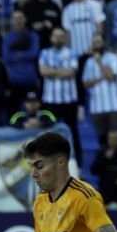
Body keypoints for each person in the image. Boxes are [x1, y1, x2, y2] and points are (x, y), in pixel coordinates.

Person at [39, 28, 83, 165]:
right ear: (51, 38)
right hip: (50, 101)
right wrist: (60, 71)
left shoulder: (72, 52)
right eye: (55, 36)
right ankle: (49, 163)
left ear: (64, 39)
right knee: (48, 133)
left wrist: (52, 72)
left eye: (60, 36)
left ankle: (77, 163)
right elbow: (43, 71)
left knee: (73, 131)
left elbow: (70, 72)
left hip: (69, 101)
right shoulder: (44, 53)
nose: (58, 38)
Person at [82, 33, 117, 144]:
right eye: (94, 43)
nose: (97, 44)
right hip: (97, 107)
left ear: (104, 43)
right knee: (102, 140)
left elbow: (111, 77)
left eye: (99, 42)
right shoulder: (88, 62)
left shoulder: (113, 58)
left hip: (114, 106)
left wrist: (100, 62)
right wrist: (101, 77)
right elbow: (85, 83)